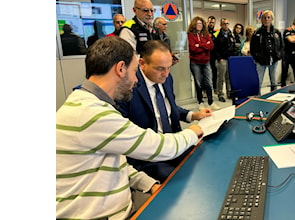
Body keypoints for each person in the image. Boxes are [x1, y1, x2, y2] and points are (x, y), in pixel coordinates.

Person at [56, 36, 204, 220]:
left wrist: (146, 183)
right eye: (134, 72)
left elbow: (113, 161)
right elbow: (161, 148)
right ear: (120, 69)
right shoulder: (93, 114)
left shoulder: (87, 104)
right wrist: (195, 130)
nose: (136, 79)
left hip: (122, 203)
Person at [116, 39, 213, 182]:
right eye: (160, 68)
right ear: (142, 63)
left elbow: (170, 108)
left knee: (205, 158)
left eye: (169, 67)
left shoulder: (166, 78)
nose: (166, 74)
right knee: (178, 179)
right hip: (149, 156)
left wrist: (193, 115)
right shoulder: (128, 87)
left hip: (173, 142)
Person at [187, 16, 221, 110]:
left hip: (206, 62)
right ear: (194, 25)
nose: (199, 25)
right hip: (195, 62)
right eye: (198, 24)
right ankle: (200, 102)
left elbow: (211, 46)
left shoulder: (206, 34)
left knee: (209, 82)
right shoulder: (190, 35)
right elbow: (193, 48)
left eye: (201, 24)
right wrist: (204, 45)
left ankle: (211, 102)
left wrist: (199, 45)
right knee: (198, 83)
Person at [250, 10, 284, 92]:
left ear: (272, 19)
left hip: (274, 60)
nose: (266, 19)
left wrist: (279, 55)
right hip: (261, 61)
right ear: (261, 20)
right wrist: (256, 57)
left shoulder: (277, 32)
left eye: (268, 17)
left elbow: (282, 45)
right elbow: (252, 47)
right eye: (264, 18)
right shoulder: (257, 33)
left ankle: (274, 96)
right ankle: (257, 98)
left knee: (274, 82)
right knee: (259, 82)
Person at [213, 18, 236, 101]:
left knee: (229, 77)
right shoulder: (217, 34)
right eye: (224, 24)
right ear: (221, 25)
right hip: (221, 59)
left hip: (230, 59)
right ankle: (220, 94)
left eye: (227, 24)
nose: (226, 25)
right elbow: (214, 49)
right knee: (221, 78)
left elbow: (233, 47)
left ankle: (229, 92)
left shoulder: (231, 34)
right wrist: (219, 58)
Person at [207, 16, 218, 92]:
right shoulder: (204, 32)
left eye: (213, 22)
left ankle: (214, 87)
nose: (211, 24)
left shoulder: (216, 32)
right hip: (206, 55)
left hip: (214, 55)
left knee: (214, 72)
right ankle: (205, 89)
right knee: (206, 73)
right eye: (210, 22)